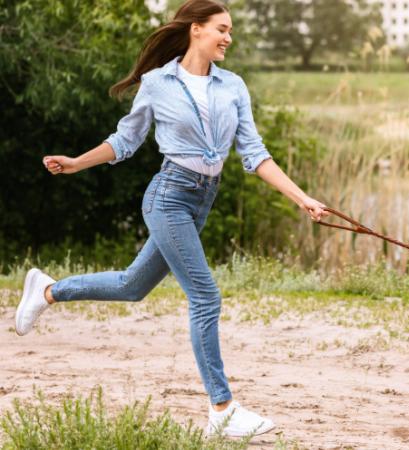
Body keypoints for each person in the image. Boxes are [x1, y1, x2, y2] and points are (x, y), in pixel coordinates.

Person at [14, 0, 329, 437]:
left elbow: (254, 154)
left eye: (231, 31)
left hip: (202, 200)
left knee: (132, 286)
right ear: (196, 29)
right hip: (168, 197)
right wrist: (75, 163)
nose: (228, 38)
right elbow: (126, 139)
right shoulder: (157, 83)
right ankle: (223, 411)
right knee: (206, 297)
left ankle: (47, 291)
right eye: (222, 29)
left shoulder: (233, 86)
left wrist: (303, 198)